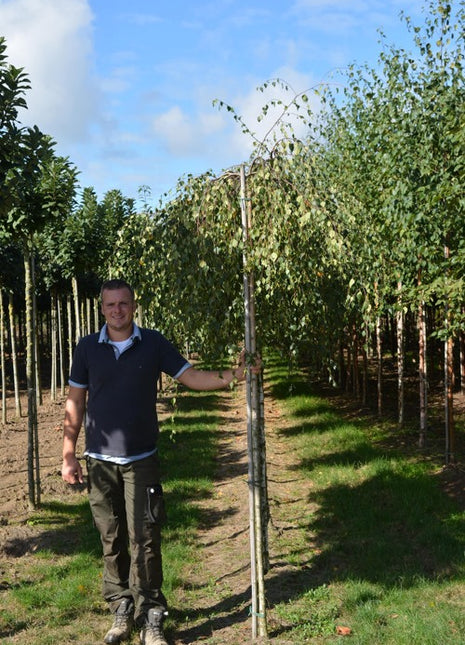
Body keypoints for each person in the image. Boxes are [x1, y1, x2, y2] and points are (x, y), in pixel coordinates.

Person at [61, 278, 260, 645]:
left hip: (141, 460)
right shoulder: (88, 348)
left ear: (133, 305)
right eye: (110, 305)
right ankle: (120, 610)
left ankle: (152, 615)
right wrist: (68, 453)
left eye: (123, 303)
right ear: (101, 309)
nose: (117, 310)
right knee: (111, 537)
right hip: (100, 462)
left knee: (146, 539)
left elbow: (192, 377)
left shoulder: (152, 343)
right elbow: (75, 401)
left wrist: (236, 374)